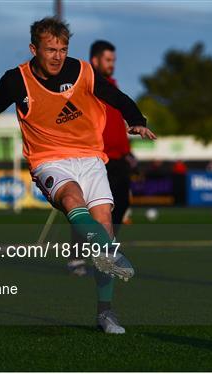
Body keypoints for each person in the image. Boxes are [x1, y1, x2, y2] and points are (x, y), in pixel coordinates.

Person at [0, 17, 156, 334]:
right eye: (51, 49)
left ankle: (105, 312)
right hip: (48, 159)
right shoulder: (17, 80)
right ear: (33, 49)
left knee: (104, 220)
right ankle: (105, 251)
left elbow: (117, 98)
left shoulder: (82, 72)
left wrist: (136, 119)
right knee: (71, 199)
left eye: (63, 49)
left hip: (91, 157)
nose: (57, 56)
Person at [67, 40, 136, 277]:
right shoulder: (86, 86)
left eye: (113, 61)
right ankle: (76, 257)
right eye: (108, 60)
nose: (112, 65)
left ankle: (106, 254)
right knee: (87, 210)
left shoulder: (113, 86)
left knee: (120, 205)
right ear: (95, 60)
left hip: (118, 159)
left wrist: (128, 152)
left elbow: (118, 125)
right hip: (95, 158)